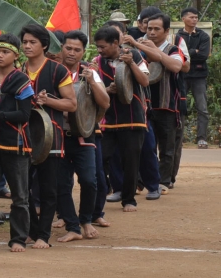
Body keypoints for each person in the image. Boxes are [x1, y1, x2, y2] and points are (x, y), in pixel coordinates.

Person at [18, 24, 76, 247]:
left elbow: (72, 104)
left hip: (51, 136)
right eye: (24, 42)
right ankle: (33, 230)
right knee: (24, 188)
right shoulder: (19, 70)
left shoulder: (58, 70)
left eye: (32, 42)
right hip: (23, 136)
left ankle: (43, 235)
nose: (27, 46)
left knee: (49, 187)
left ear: (44, 44)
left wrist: (48, 100)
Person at [57, 29, 109, 242]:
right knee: (60, 183)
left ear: (83, 51)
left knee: (89, 181)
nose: (71, 53)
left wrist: (93, 82)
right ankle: (72, 226)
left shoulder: (89, 71)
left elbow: (104, 103)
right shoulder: (53, 70)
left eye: (77, 50)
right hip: (58, 135)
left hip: (85, 136)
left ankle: (86, 220)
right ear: (61, 47)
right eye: (68, 48)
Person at [94, 25, 150, 213]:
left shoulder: (133, 55)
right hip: (108, 121)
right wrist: (106, 90)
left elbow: (144, 81)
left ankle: (129, 199)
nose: (100, 50)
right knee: (101, 159)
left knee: (131, 161)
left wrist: (131, 64)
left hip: (133, 118)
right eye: (98, 47)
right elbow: (93, 88)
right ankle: (105, 191)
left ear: (116, 43)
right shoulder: (96, 62)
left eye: (103, 47)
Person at [0, 35, 34, 251]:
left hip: (15, 144)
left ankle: (18, 238)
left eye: (5, 52)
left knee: (19, 195)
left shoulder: (22, 80)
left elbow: (24, 115)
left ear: (16, 55)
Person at [140, 13, 187, 192]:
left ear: (166, 31)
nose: (151, 32)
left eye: (156, 29)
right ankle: (145, 180)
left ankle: (164, 181)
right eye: (149, 28)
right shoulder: (138, 46)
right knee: (145, 146)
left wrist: (155, 50)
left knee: (167, 148)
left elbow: (176, 67)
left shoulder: (174, 49)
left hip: (167, 105)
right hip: (144, 105)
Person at [177, 7, 210, 148]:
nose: (194, 20)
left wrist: (188, 53)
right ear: (183, 19)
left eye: (196, 17)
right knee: (179, 106)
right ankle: (178, 138)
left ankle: (202, 138)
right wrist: (193, 51)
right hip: (182, 75)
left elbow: (203, 55)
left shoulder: (203, 36)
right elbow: (176, 55)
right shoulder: (177, 36)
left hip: (199, 76)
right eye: (191, 17)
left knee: (202, 107)